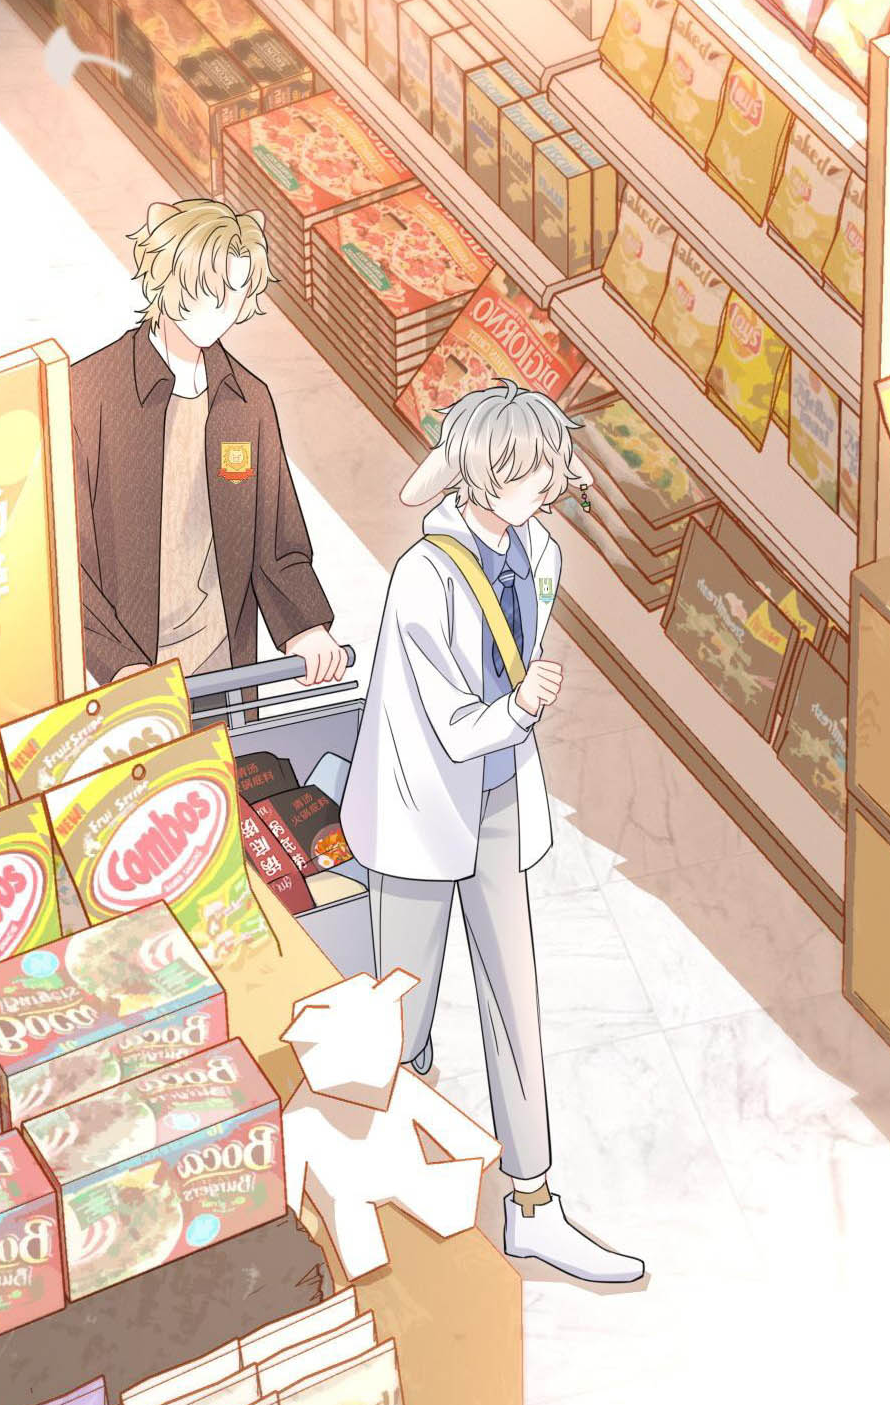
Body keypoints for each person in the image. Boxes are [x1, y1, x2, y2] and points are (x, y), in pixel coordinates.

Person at [341, 380, 645, 1285]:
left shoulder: (539, 549)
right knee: (402, 1003)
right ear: (485, 474)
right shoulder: (422, 579)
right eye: (534, 471)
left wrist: (512, 717)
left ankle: (532, 1200)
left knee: (516, 995)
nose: (551, 486)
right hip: (421, 800)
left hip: (499, 796)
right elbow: (449, 721)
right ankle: (386, 1167)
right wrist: (519, 707)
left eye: (551, 468)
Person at [70, 197, 345, 690]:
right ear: (167, 279)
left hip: (223, 662)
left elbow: (275, 539)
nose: (222, 310)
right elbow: (66, 555)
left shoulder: (247, 401)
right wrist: (118, 663)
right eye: (208, 289)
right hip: (129, 675)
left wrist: (305, 627)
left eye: (236, 294)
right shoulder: (90, 391)